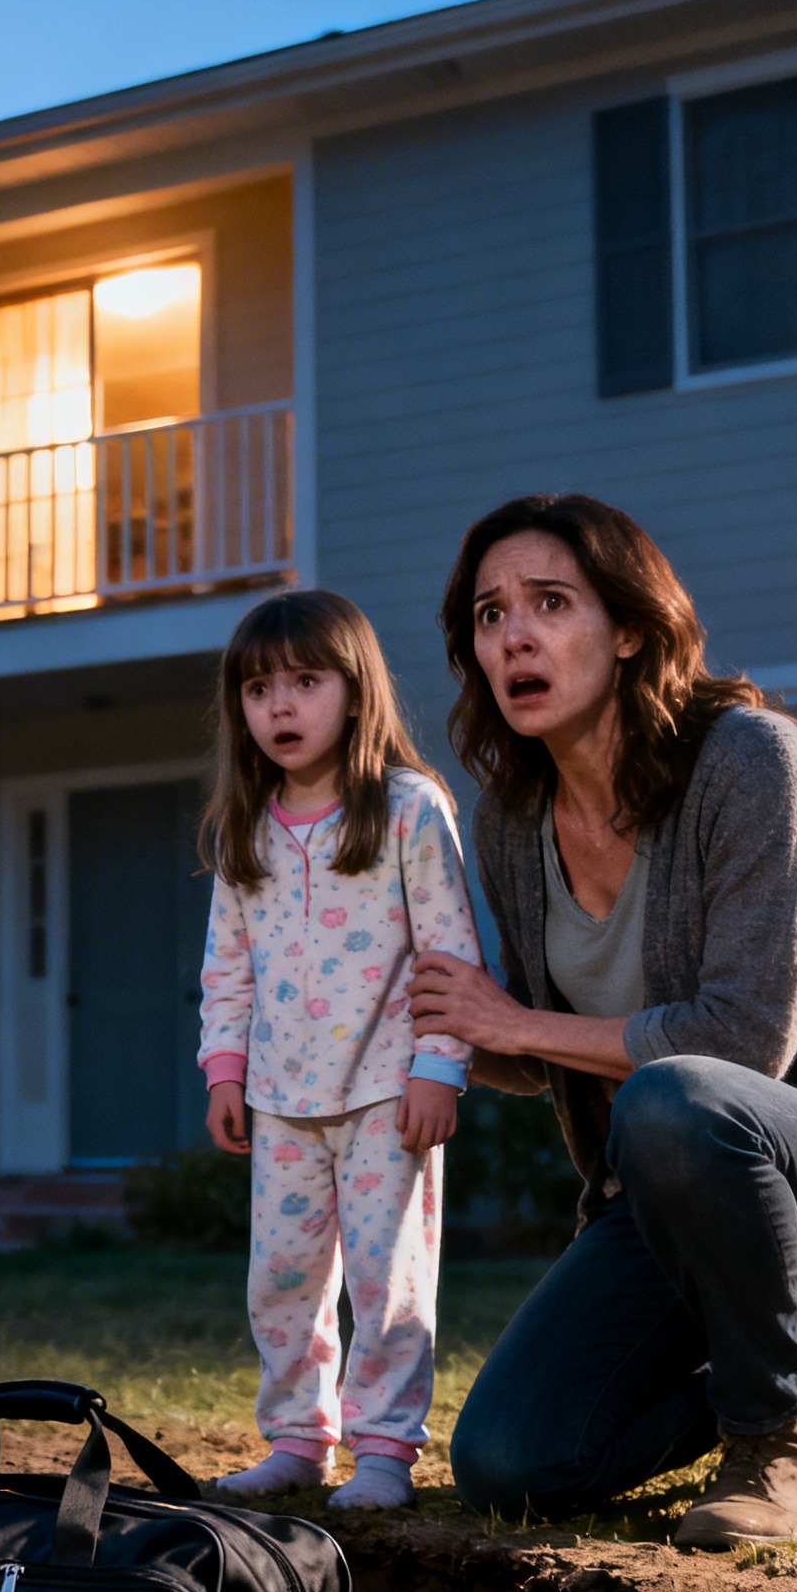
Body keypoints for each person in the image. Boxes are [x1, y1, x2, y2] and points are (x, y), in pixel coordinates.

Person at [409, 495, 797, 1549]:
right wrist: (437, 1021)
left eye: (549, 602)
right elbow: (543, 1054)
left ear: (628, 628)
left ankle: (773, 1445)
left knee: (675, 1095)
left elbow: (739, 1039)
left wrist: (515, 1023)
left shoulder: (749, 760)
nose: (513, 635)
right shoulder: (511, 820)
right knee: (511, 1461)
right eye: (488, 614)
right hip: (673, 1195)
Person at [198, 589, 482, 1510]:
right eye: (258, 689)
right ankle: (297, 1439)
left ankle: (385, 1450)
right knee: (281, 1277)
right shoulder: (244, 829)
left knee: (385, 1278)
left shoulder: (407, 808)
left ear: (355, 693)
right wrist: (225, 1071)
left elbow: (449, 954)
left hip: (386, 1095)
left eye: (305, 682)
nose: (280, 706)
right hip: (281, 1100)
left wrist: (439, 1067)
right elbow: (227, 970)